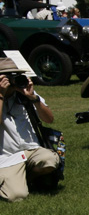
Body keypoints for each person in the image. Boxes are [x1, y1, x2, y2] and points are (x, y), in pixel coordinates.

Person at [0, 58, 61, 202]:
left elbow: (49, 119)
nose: (11, 81)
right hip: (6, 157)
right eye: (6, 77)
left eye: (14, 76)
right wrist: (1, 95)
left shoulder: (25, 95)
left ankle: (24, 177)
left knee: (50, 160)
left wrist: (33, 98)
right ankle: (13, 179)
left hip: (31, 150)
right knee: (17, 196)